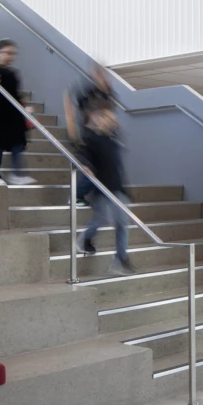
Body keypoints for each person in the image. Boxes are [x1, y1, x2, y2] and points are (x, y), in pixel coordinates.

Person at [75, 103, 134, 276]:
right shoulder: (91, 138)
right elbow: (83, 154)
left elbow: (117, 166)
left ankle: (120, 260)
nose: (108, 122)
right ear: (97, 120)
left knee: (123, 223)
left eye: (110, 119)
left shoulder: (113, 139)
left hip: (118, 187)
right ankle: (85, 237)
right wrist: (86, 165)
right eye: (104, 118)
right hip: (102, 188)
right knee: (102, 219)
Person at [0, 39, 34, 186]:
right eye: (8, 53)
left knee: (18, 143)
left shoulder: (13, 73)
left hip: (13, 114)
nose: (11, 56)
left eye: (13, 54)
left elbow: (16, 94)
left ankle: (17, 173)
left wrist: (25, 105)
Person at [65, 64, 116, 204]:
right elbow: (74, 109)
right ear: (95, 76)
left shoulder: (109, 94)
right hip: (89, 136)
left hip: (103, 135)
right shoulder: (89, 92)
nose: (104, 79)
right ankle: (76, 196)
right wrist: (73, 134)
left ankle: (89, 195)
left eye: (105, 76)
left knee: (102, 168)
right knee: (93, 169)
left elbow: (110, 113)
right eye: (99, 76)